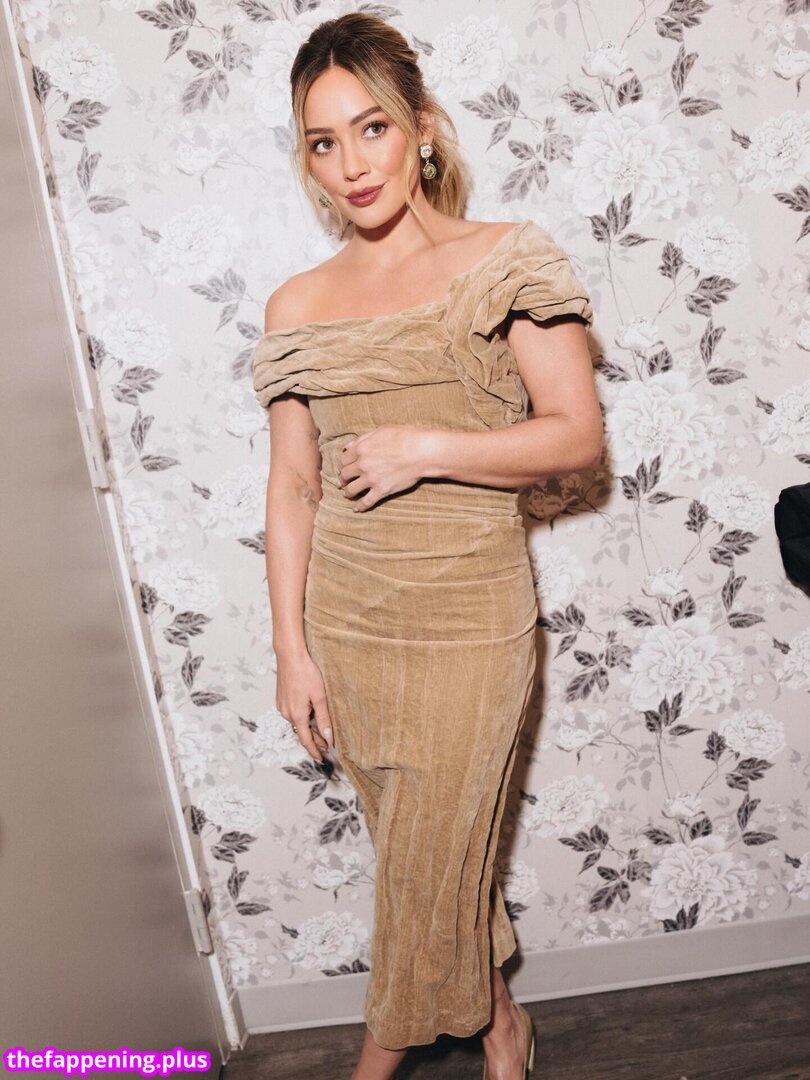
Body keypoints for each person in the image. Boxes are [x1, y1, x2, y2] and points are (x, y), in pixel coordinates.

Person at [252, 13, 602, 1080]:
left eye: (372, 129)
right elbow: (293, 484)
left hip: (469, 621)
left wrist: (430, 449)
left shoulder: (506, 260)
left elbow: (576, 436)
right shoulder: (296, 305)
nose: (353, 164)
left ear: (423, 129)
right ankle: (500, 1026)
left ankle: (377, 1062)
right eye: (324, 142)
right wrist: (291, 650)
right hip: (349, 627)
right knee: (428, 864)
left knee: (421, 873)